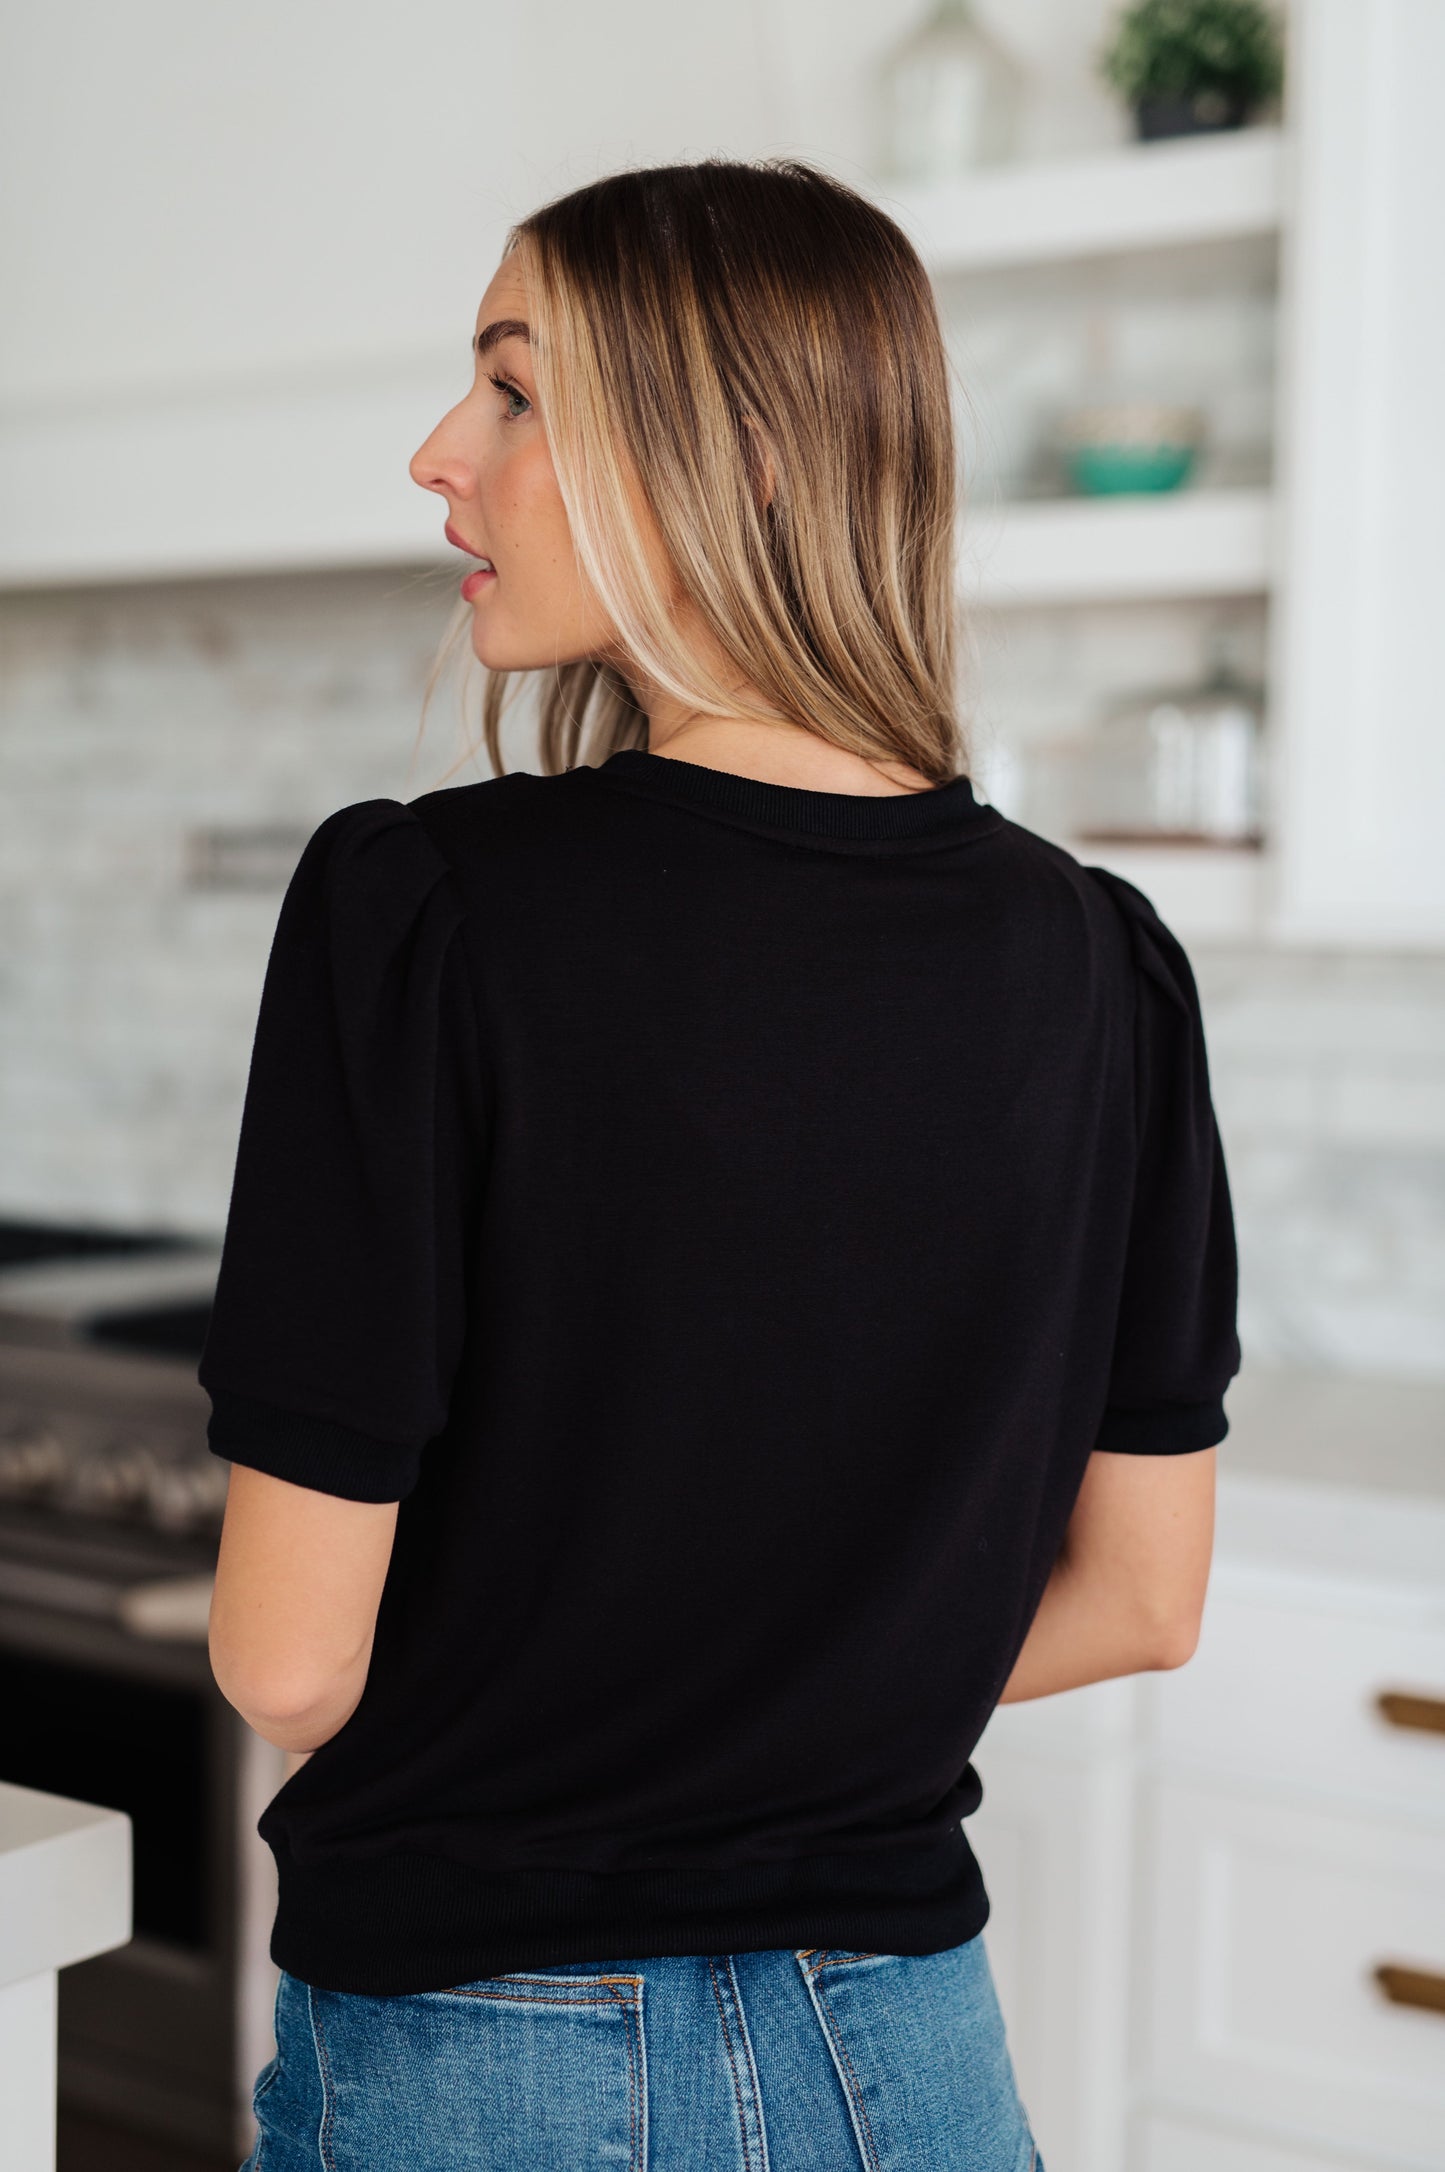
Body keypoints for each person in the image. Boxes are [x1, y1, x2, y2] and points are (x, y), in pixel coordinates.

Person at [200, 156, 1239, 2172]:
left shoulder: (421, 912)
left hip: (483, 2050)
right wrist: (796, 1713)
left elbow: (287, 1660)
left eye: (514, 390)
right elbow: (1141, 1598)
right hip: (906, 2061)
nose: (439, 454)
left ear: (743, 459)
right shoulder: (1104, 963)